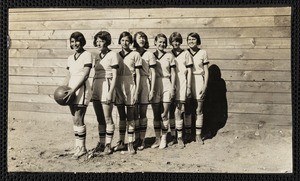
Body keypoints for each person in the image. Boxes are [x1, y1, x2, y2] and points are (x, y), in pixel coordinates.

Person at [62, 32, 92, 159]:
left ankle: (82, 148)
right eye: (72, 41)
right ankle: (77, 146)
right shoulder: (70, 58)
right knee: (74, 118)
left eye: (77, 41)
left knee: (79, 118)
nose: (75, 44)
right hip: (71, 90)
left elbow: (85, 75)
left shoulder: (87, 55)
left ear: (82, 41)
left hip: (81, 89)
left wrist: (73, 90)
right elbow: (68, 75)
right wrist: (62, 88)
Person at [89, 31, 119, 157]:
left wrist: (110, 92)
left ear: (106, 41)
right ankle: (101, 143)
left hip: (107, 85)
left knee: (107, 117)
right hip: (97, 86)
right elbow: (95, 74)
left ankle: (108, 144)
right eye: (97, 41)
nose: (99, 43)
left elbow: (115, 76)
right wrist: (91, 89)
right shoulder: (96, 56)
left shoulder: (113, 55)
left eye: (101, 41)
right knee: (99, 118)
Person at [114, 31, 142, 154]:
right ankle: (121, 142)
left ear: (130, 42)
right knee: (121, 116)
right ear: (119, 41)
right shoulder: (115, 55)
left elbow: (139, 75)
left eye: (127, 41)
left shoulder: (135, 54)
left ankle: (130, 143)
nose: (125, 43)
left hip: (130, 85)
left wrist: (136, 91)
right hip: (119, 86)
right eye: (122, 40)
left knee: (131, 116)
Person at [132, 31, 157, 150]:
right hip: (132, 82)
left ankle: (142, 139)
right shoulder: (131, 54)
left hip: (144, 82)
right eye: (139, 38)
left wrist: (152, 90)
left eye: (143, 38)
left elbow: (153, 73)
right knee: (133, 113)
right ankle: (135, 138)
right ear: (135, 40)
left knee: (142, 112)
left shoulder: (149, 54)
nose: (141, 40)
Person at [152, 33, 176, 149]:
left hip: (166, 83)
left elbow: (173, 73)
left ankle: (164, 138)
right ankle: (157, 138)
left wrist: (172, 87)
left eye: (163, 42)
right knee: (156, 114)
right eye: (159, 42)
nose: (162, 44)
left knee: (164, 113)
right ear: (155, 43)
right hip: (155, 84)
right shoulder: (151, 55)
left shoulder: (169, 56)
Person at [169, 32, 193, 149]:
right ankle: (173, 135)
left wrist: (188, 87)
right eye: (174, 41)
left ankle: (181, 137)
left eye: (178, 40)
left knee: (180, 110)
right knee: (171, 110)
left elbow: (189, 72)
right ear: (171, 42)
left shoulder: (186, 54)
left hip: (182, 83)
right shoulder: (169, 55)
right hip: (171, 84)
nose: (176, 43)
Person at [187, 32, 209, 143]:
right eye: (189, 39)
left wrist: (205, 85)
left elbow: (206, 71)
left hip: (199, 80)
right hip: (188, 81)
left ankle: (198, 135)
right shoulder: (185, 53)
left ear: (198, 41)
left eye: (194, 39)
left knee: (199, 109)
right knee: (188, 109)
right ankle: (189, 134)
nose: (191, 41)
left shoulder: (203, 53)